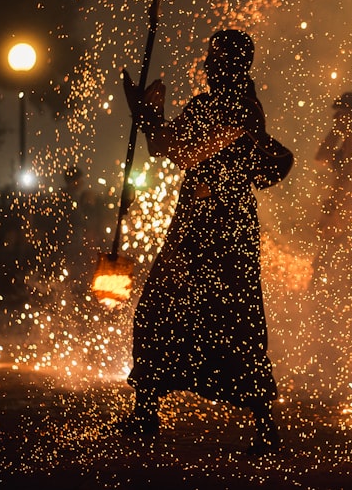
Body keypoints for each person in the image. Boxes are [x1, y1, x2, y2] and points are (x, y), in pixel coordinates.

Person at [117, 28, 293, 455]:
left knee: (234, 315)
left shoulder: (242, 108)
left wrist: (151, 119)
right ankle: (146, 410)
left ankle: (264, 424)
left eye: (214, 59)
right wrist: (147, 115)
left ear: (232, 64)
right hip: (196, 222)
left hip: (224, 226)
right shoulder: (209, 104)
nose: (208, 65)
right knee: (162, 306)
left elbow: (185, 152)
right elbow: (166, 145)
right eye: (209, 58)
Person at [305, 91, 352, 395]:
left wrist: (340, 218)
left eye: (342, 114)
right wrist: (336, 133)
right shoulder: (348, 139)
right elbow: (321, 157)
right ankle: (326, 364)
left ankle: (347, 366)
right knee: (322, 291)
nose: (337, 119)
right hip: (339, 229)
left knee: (345, 293)